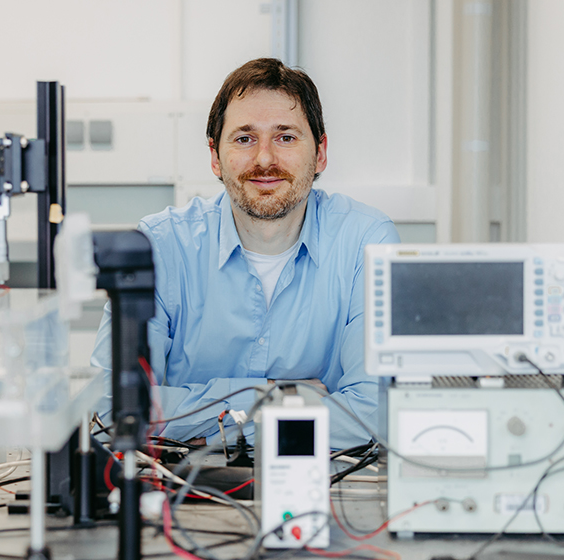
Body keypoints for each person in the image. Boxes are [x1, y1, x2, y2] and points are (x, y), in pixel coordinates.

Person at [91, 58, 400, 450]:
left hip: (328, 491)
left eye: (286, 137)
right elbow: (111, 407)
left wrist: (198, 412)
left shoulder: (366, 243)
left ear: (320, 153)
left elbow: (376, 414)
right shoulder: (160, 247)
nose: (265, 159)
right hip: (180, 492)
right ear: (215, 156)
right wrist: (282, 396)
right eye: (244, 138)